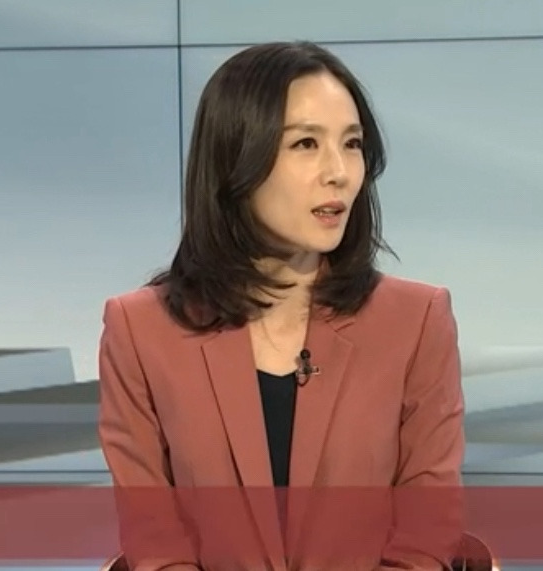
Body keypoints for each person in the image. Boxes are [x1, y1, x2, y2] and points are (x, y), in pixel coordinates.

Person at [97, 41, 465, 570]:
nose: (339, 172)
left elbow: (426, 534)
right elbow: (155, 541)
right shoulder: (140, 331)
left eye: (352, 144)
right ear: (235, 158)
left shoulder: (417, 322)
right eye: (306, 143)